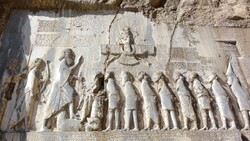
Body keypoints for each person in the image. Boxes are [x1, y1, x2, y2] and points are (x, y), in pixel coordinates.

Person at [39, 48, 83, 131]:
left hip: (62, 85)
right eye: (72, 57)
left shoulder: (64, 65)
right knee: (52, 105)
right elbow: (68, 72)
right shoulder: (62, 64)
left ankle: (71, 114)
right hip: (59, 86)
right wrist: (78, 63)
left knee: (70, 93)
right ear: (67, 56)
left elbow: (67, 75)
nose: (72, 59)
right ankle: (44, 125)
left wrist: (75, 77)